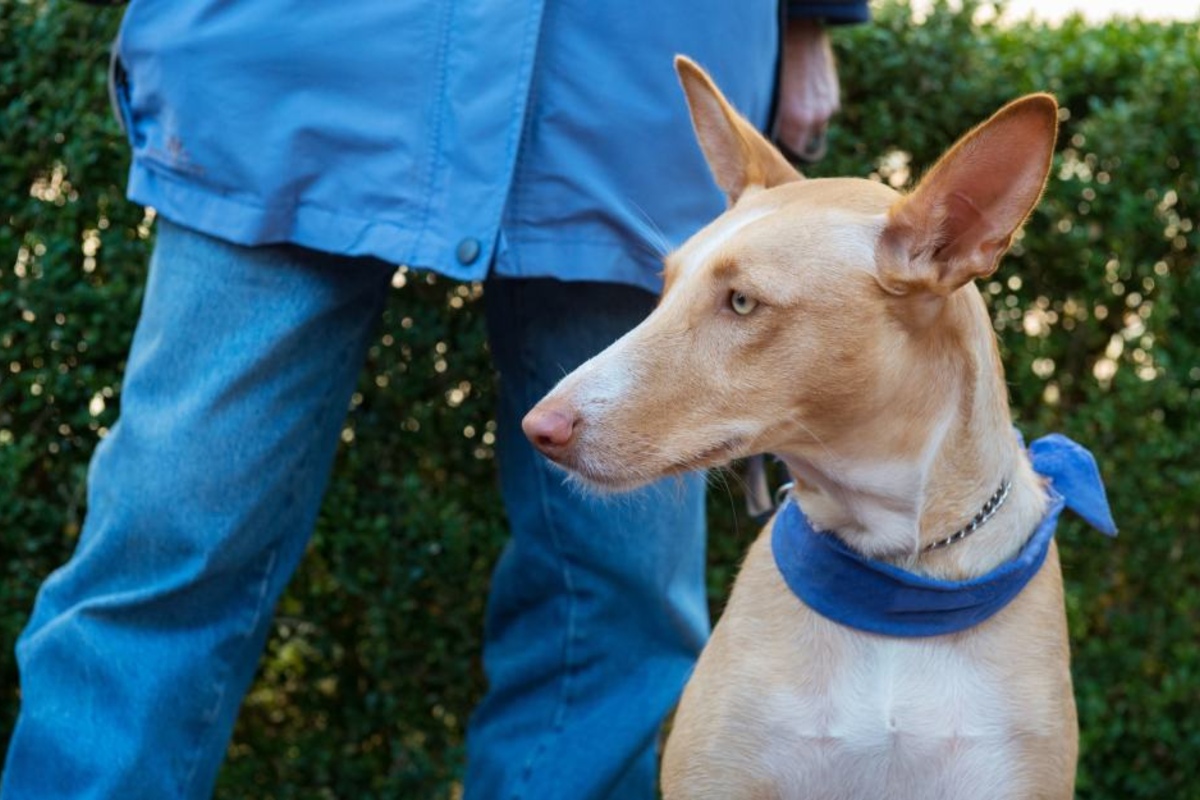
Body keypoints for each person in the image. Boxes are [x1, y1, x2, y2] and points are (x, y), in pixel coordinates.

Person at [3, 1, 867, 797]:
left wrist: (811, 17)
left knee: (618, 593)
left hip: (623, 82)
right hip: (294, 60)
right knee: (168, 545)